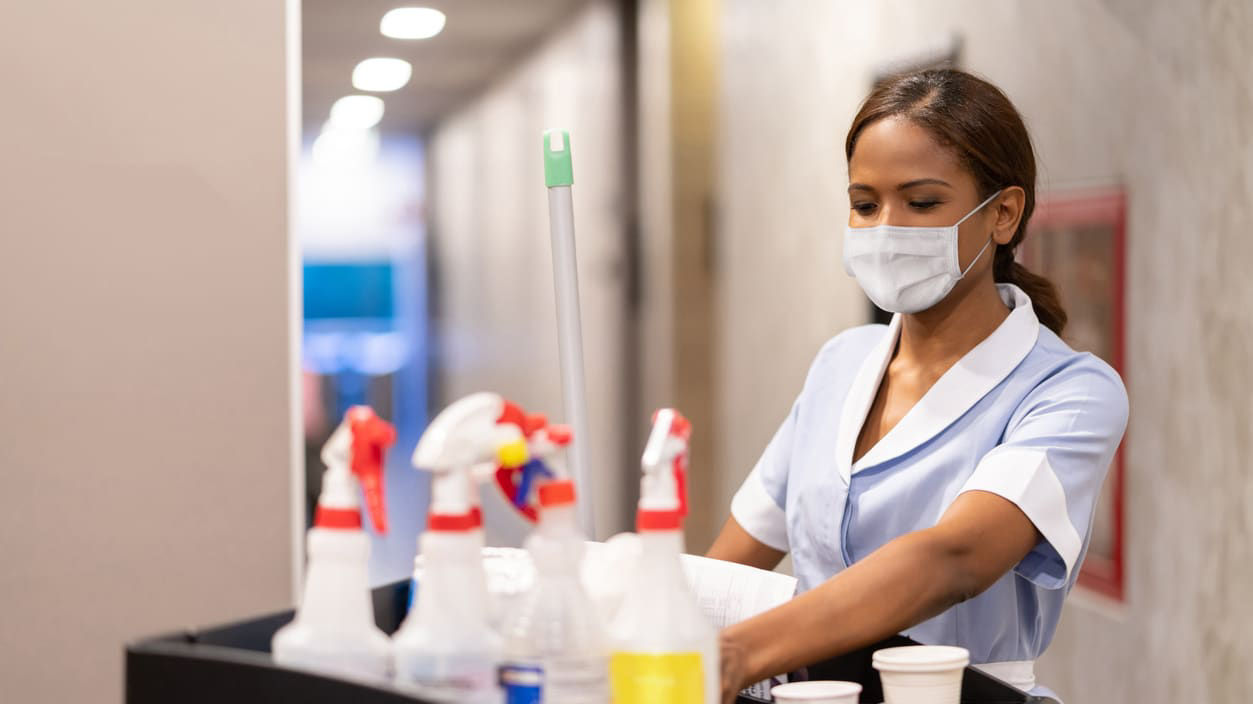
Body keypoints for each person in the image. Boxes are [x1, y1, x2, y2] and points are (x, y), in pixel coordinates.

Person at [707, 68, 1128, 703]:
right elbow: (730, 569)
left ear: (1004, 214)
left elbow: (956, 557)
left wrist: (739, 652)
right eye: (865, 203)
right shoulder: (839, 365)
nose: (886, 228)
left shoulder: (1068, 392)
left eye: (922, 202)